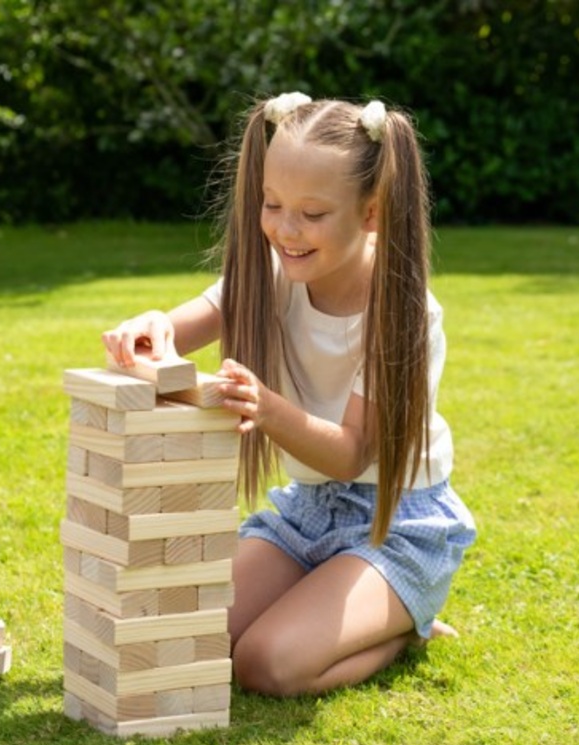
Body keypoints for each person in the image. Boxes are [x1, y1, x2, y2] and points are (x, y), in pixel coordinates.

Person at [102, 92, 476, 697]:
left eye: (312, 214)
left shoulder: (403, 312)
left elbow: (352, 454)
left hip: (396, 522)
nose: (285, 229)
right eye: (272, 204)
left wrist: (266, 407)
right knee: (195, 634)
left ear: (373, 212)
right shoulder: (272, 275)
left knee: (267, 664)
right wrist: (150, 327)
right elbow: (187, 322)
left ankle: (407, 626)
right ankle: (347, 608)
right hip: (308, 512)